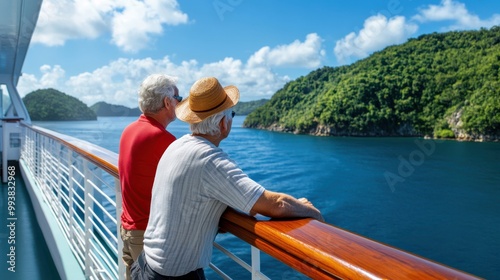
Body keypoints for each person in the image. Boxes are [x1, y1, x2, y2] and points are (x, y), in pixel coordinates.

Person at [131, 77, 324, 280]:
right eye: (231, 115)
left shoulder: (177, 146)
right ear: (224, 123)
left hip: (145, 264)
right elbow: (274, 204)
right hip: (172, 277)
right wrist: (309, 211)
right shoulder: (209, 160)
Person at [119, 74, 183, 280]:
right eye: (178, 98)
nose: (179, 103)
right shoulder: (163, 139)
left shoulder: (129, 130)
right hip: (147, 236)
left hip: (129, 229)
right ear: (167, 102)